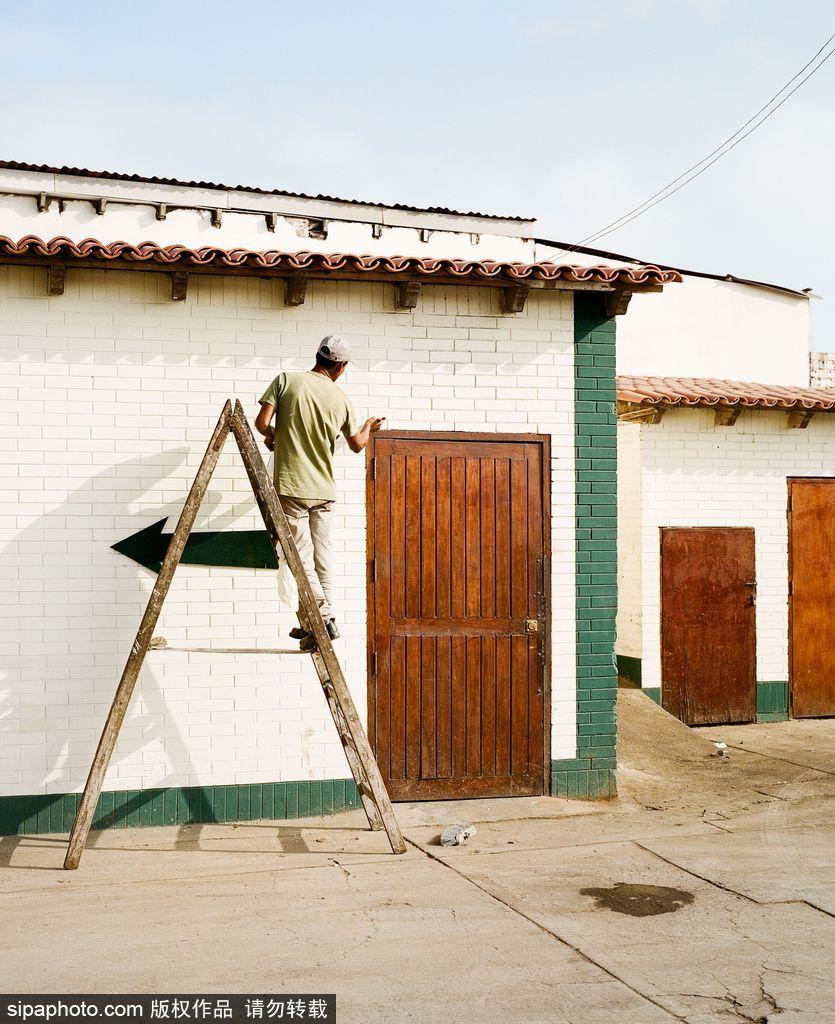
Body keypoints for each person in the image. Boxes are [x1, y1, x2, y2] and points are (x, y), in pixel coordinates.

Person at [255, 335, 384, 648]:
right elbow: (357, 445)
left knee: (299, 557)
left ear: (317, 357)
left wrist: (274, 436)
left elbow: (261, 423)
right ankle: (319, 621)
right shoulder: (341, 399)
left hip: (292, 486)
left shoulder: (286, 381)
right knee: (321, 558)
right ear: (340, 367)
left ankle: (323, 619)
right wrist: (369, 427)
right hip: (324, 490)